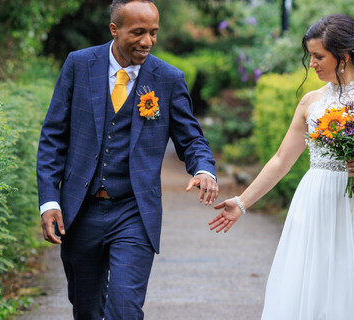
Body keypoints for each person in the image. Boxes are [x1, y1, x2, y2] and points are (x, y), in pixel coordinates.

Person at [209, 13, 354, 320]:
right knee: (314, 281)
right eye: (311, 56)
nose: (312, 64)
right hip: (317, 201)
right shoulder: (310, 102)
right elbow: (281, 160)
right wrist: (241, 202)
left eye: (319, 56)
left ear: (343, 56)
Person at [36, 0, 218, 318]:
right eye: (138, 32)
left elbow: (191, 139)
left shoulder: (168, 78)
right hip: (81, 211)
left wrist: (203, 168)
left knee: (124, 309)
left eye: (153, 33)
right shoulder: (79, 65)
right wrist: (49, 202)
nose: (147, 41)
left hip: (134, 211)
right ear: (114, 29)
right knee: (87, 309)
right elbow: (53, 138)